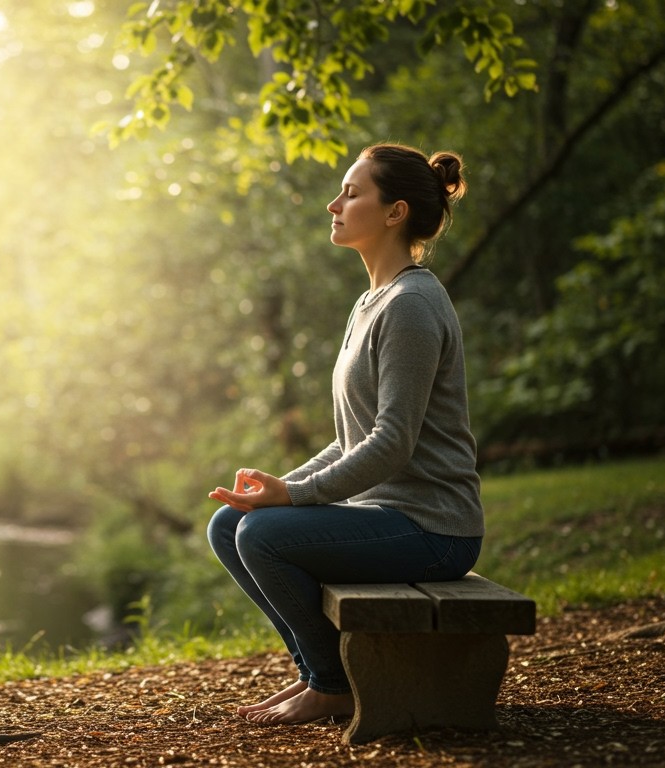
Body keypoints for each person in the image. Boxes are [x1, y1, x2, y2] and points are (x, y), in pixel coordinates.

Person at [206, 143, 484, 727]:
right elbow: (351, 436)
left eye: (352, 193)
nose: (334, 204)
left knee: (260, 535)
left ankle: (334, 684)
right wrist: (284, 484)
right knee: (231, 524)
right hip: (390, 517)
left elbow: (391, 443)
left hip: (435, 529)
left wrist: (294, 498)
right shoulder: (370, 303)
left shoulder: (410, 305)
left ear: (394, 212)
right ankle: (318, 673)